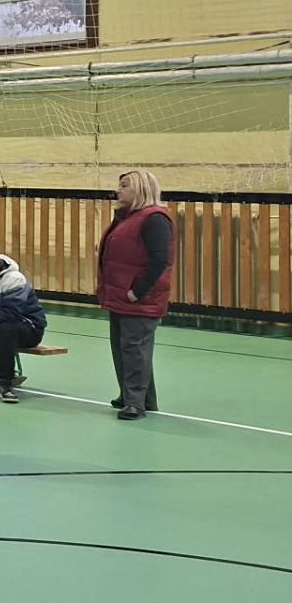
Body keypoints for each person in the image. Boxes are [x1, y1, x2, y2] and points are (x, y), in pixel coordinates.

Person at [98, 169, 173, 420]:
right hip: (119, 296)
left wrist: (137, 292)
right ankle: (136, 397)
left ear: (140, 188)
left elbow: (160, 259)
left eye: (124, 186)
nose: (118, 190)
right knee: (123, 349)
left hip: (139, 299)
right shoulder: (126, 218)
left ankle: (135, 403)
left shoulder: (155, 219)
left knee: (134, 349)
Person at [0, 242, 47, 404]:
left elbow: (11, 313)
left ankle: (5, 383)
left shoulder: (14, 279)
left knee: (6, 329)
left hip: (28, 328)